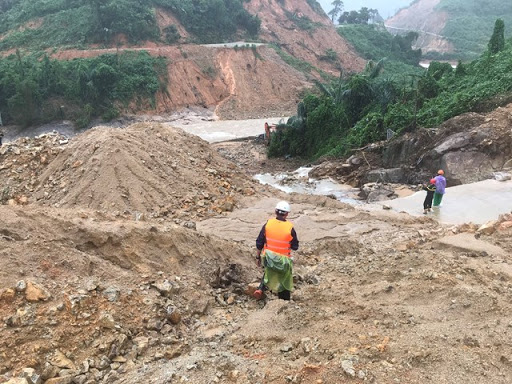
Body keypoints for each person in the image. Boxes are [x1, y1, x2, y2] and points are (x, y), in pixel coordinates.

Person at [254, 201, 299, 301]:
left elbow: (259, 242)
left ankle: (261, 289)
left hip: (268, 258)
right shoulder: (290, 228)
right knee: (284, 280)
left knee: (269, 270)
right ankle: (284, 301)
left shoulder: (268, 224)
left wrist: (257, 257)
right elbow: (295, 246)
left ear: (275, 211)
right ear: (287, 214)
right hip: (283, 261)